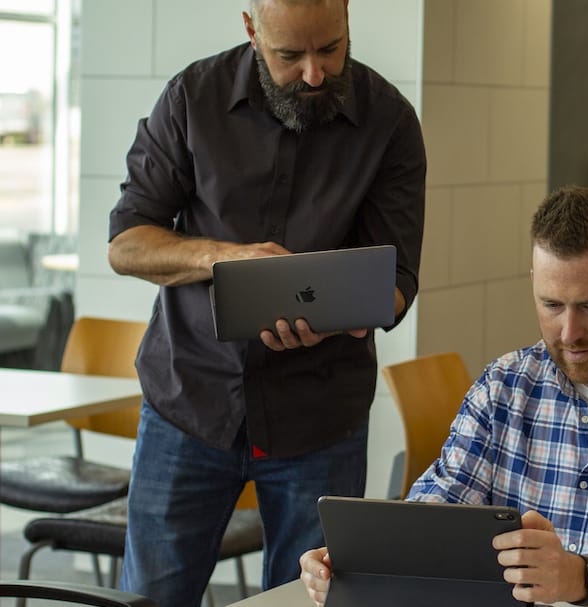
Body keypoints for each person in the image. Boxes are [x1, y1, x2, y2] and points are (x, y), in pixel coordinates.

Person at [300, 186, 588, 607]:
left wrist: (579, 577)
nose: (569, 332)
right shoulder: (505, 384)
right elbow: (435, 512)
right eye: (551, 305)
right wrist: (358, 563)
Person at [106, 0, 425, 604]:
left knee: (307, 604)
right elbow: (127, 243)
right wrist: (224, 260)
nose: (313, 73)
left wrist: (332, 321)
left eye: (330, 48)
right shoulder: (190, 100)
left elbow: (397, 280)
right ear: (251, 29)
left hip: (319, 417)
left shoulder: (390, 122)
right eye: (290, 55)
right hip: (189, 402)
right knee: (150, 599)